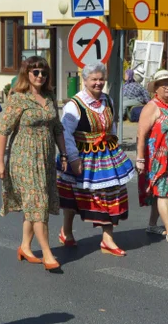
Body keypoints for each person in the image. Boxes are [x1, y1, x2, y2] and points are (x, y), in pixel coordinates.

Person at [0, 56, 69, 271]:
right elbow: (3, 131)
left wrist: (64, 154)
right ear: (26, 74)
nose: (40, 76)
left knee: (35, 204)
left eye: (44, 73)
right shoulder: (18, 98)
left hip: (45, 159)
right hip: (24, 159)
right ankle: (47, 253)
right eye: (35, 72)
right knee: (38, 204)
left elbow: (57, 128)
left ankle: (26, 247)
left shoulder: (49, 96)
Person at [57, 64, 135, 256]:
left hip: (106, 154)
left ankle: (107, 238)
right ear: (85, 81)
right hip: (83, 154)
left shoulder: (108, 100)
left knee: (110, 193)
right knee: (74, 195)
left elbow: (112, 126)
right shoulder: (74, 105)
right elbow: (66, 134)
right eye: (94, 79)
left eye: (101, 79)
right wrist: (73, 158)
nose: (98, 83)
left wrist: (115, 145)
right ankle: (66, 230)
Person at [135, 69, 168, 243]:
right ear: (155, 88)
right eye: (163, 84)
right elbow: (141, 134)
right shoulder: (152, 107)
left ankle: (152, 224)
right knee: (163, 192)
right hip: (158, 158)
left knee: (163, 191)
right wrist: (140, 159)